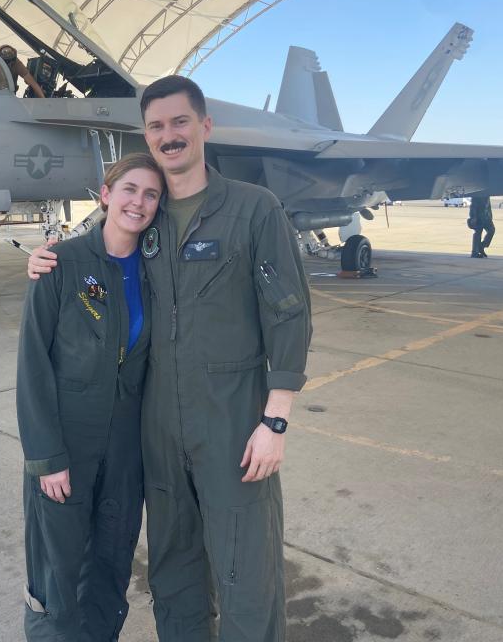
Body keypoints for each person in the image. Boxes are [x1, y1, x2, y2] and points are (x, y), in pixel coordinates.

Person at [28, 76, 312, 642]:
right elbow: (99, 258)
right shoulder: (147, 219)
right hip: (158, 428)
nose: (169, 135)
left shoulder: (254, 210)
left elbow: (290, 314)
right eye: (156, 126)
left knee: (245, 568)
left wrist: (274, 420)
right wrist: (46, 261)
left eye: (180, 122)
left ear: (204, 127)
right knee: (174, 568)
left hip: (233, 421)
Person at [16, 153, 165, 641]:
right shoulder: (61, 263)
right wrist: (46, 457)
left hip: (125, 452)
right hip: (65, 449)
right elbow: (33, 366)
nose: (138, 203)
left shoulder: (155, 273)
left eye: (150, 195)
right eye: (129, 190)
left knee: (110, 566)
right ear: (105, 194)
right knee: (56, 576)